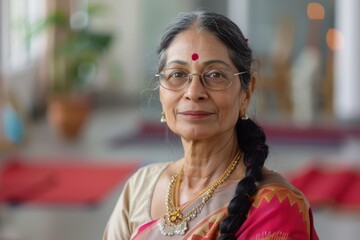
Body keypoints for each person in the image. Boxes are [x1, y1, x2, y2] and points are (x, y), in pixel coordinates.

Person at [103, 10, 319, 240]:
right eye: (177, 74)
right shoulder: (140, 188)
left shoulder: (274, 207)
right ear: (161, 92)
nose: (194, 92)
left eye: (215, 75)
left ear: (246, 93)